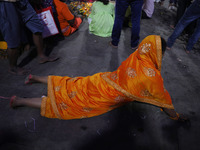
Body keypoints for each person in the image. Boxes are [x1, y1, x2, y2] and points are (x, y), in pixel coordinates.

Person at [10, 35, 187, 121]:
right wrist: (176, 117)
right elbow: (164, 101)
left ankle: (35, 78)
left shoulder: (137, 56)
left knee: (71, 84)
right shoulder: (152, 76)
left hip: (103, 80)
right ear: (159, 53)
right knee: (71, 104)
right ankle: (19, 101)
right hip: (107, 95)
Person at [0, 0, 59, 75]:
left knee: (37, 26)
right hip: (6, 3)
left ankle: (41, 56)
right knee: (13, 37)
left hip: (22, 1)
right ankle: (13, 67)